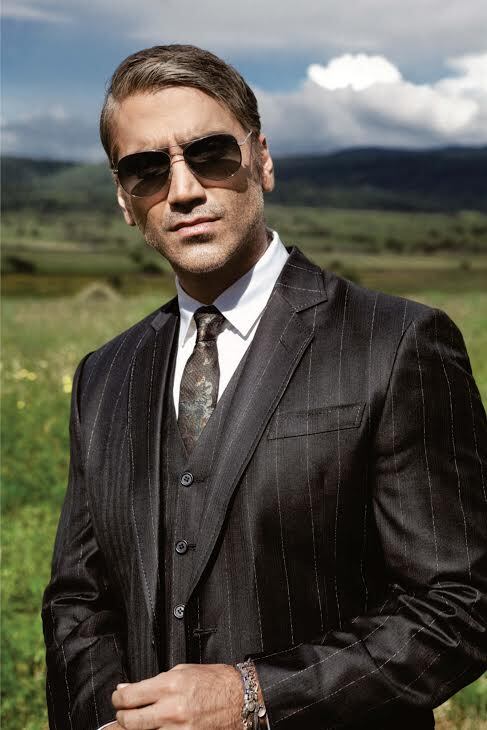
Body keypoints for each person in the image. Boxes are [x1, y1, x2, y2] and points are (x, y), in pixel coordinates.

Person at [42, 44, 487, 730]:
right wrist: (115, 717)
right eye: (147, 169)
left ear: (262, 159)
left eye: (210, 154)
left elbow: (459, 604)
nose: (183, 190)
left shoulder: (397, 343)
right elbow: (78, 600)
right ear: (125, 200)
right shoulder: (104, 374)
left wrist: (254, 697)